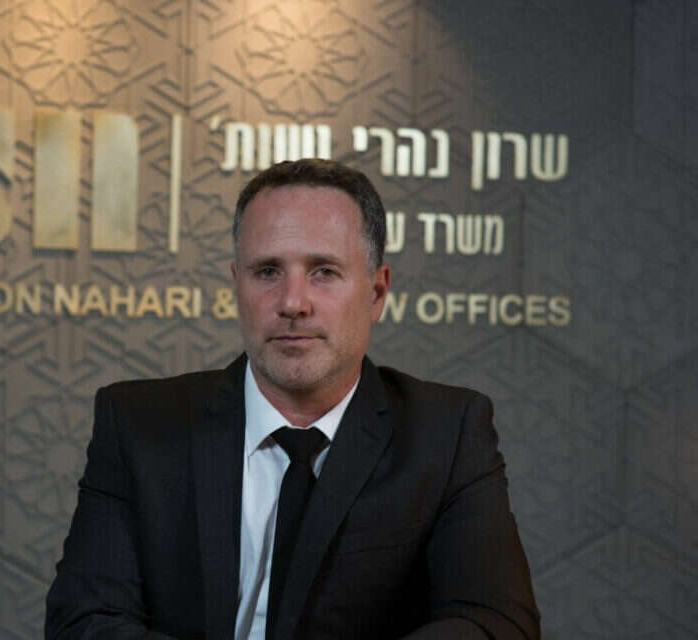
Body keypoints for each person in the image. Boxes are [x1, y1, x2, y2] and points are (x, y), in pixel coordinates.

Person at [45, 159, 540, 639]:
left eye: (323, 271)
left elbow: (496, 623)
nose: (292, 303)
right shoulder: (138, 426)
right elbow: (84, 621)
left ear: (376, 292)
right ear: (236, 285)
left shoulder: (447, 437)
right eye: (267, 272)